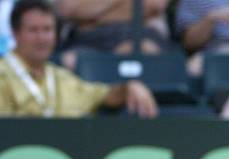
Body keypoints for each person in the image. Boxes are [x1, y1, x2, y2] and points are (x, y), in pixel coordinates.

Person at [0, 0, 158, 118]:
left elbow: (100, 95)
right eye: (33, 30)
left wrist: (128, 87)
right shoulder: (3, 74)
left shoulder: (61, 78)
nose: (42, 38)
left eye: (47, 30)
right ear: (15, 34)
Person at [56, 0, 172, 56]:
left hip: (141, 34)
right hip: (88, 40)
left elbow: (154, 4)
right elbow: (67, 9)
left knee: (148, 51)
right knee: (71, 60)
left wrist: (93, 18)